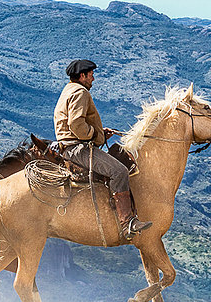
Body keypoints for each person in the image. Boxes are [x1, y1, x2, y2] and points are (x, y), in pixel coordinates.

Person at [53, 59, 152, 240]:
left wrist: (99, 132)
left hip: (71, 145)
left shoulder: (68, 90)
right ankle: (127, 223)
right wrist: (94, 135)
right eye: (91, 75)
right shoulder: (80, 92)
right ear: (82, 76)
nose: (93, 79)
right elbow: (76, 124)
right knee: (119, 171)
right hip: (77, 149)